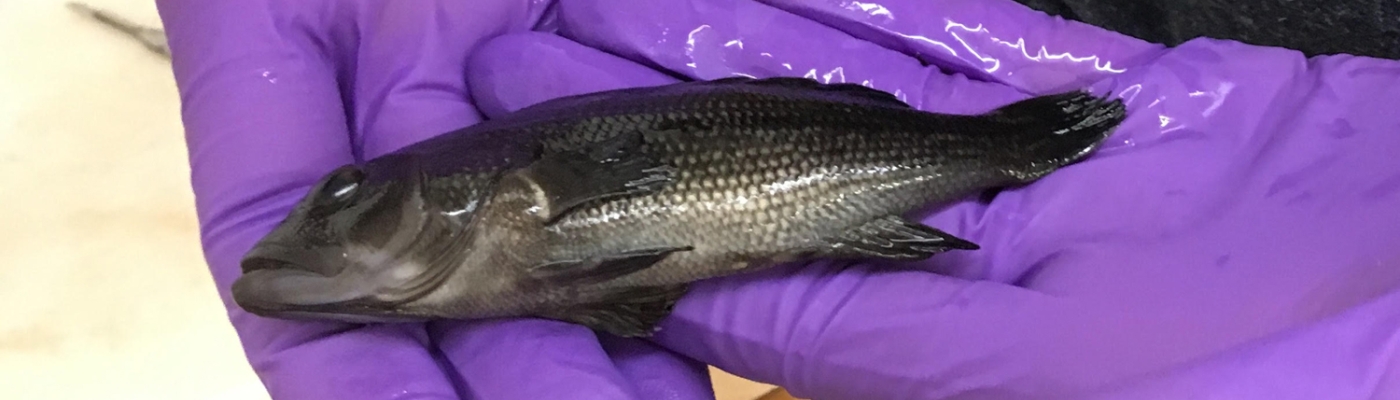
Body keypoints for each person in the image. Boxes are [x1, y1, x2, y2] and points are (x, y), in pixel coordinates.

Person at [154, 0, 1400, 399]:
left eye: (351, 199)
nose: (323, 231)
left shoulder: (510, 204)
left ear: (486, 196)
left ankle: (1013, 150)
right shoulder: (492, 205)